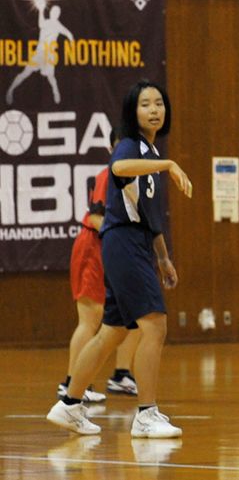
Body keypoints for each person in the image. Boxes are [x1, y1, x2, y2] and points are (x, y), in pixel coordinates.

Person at [47, 80, 194, 437]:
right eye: (145, 104)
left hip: (136, 243)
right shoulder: (131, 146)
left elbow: (151, 217)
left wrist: (163, 258)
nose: (155, 109)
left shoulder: (152, 155)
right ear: (132, 112)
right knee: (155, 324)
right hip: (122, 242)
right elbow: (117, 168)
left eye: (159, 103)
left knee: (111, 332)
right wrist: (170, 165)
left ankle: (68, 405)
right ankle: (146, 414)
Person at [60, 128, 141, 404]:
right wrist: (121, 235)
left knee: (136, 316)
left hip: (114, 251)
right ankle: (71, 383)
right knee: (91, 319)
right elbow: (96, 218)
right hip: (93, 248)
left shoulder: (138, 178)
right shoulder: (108, 175)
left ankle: (121, 374)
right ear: (111, 149)